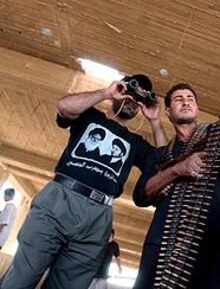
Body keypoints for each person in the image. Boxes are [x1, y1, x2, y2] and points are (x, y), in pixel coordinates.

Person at [0, 74, 167, 289]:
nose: (133, 100)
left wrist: (155, 120)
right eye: (131, 91)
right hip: (59, 199)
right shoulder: (90, 116)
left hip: (98, 216)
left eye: (139, 98)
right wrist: (106, 93)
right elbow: (64, 106)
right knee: (22, 277)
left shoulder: (136, 143)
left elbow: (163, 162)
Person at [133, 83, 220, 288]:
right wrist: (177, 169)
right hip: (165, 242)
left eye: (191, 99)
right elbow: (142, 194)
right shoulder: (161, 155)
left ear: (197, 109)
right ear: (168, 111)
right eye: (178, 99)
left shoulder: (219, 134)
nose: (185, 102)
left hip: (219, 242)